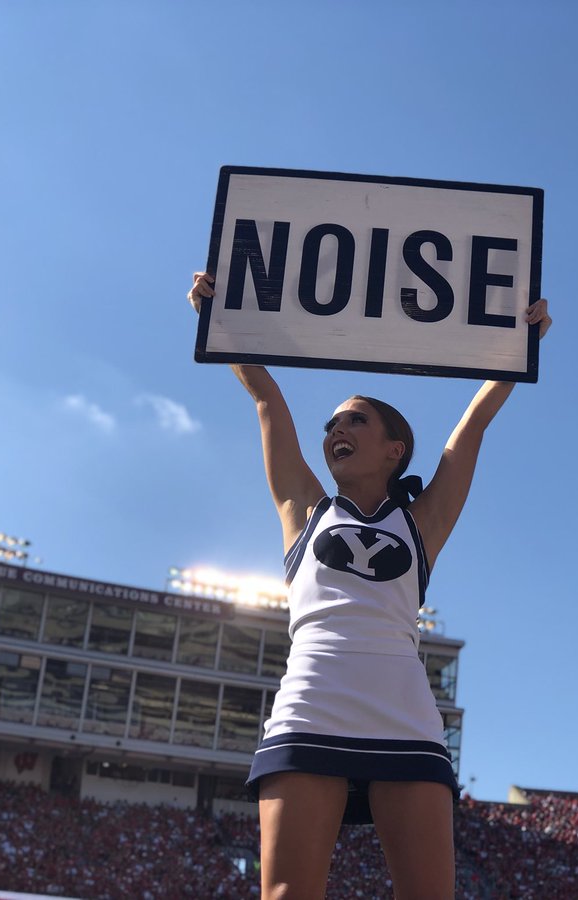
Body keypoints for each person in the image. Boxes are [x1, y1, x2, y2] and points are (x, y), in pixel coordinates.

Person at [186, 271, 551, 900]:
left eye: (352, 421)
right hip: (312, 701)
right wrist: (219, 317)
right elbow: (269, 401)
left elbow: (472, 429)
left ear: (394, 449)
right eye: (329, 425)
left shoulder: (423, 522)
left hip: (404, 714)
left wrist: (521, 345)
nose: (334, 432)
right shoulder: (304, 509)